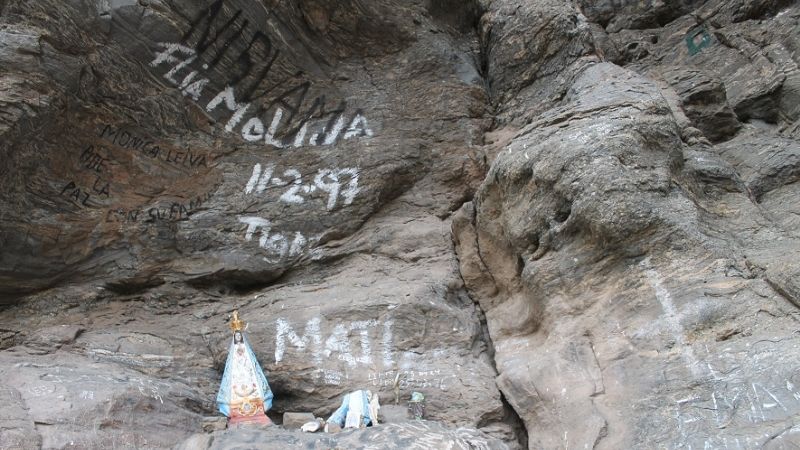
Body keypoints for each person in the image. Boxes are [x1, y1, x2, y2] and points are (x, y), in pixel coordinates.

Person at [216, 311, 274, 426]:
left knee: (253, 380)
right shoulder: (233, 352)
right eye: (236, 336)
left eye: (239, 335)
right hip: (237, 373)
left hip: (248, 371)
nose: (238, 337)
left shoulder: (246, 350)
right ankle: (237, 410)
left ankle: (257, 408)